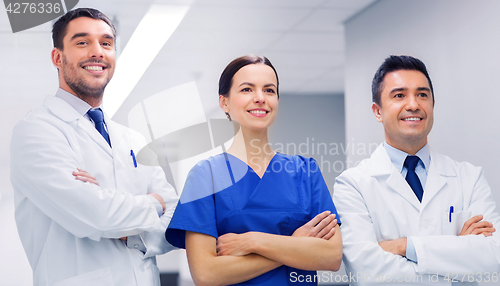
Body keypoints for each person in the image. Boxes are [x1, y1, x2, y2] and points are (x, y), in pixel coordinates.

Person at [10, 8, 178, 286]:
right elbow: (97, 215)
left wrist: (131, 231)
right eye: (82, 42)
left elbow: (175, 218)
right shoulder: (36, 130)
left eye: (107, 43)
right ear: (57, 57)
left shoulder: (133, 140)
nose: (97, 51)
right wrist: (153, 203)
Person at [165, 55, 342, 285]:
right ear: (224, 102)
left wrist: (253, 242)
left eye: (269, 90)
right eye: (247, 89)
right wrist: (293, 244)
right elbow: (206, 274)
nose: (260, 98)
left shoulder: (305, 172)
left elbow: (332, 257)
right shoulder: (205, 176)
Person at [333, 55, 500, 285]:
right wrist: (458, 257)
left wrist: (405, 246)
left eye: (422, 94)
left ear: (432, 105)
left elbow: (493, 257)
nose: (413, 104)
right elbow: (368, 275)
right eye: (399, 95)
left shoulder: (469, 178)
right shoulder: (353, 184)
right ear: (377, 111)